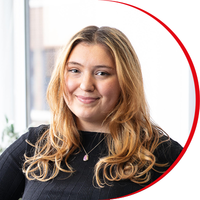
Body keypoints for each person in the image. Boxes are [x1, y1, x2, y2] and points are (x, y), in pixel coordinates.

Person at [0, 26, 183, 200]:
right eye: (74, 71)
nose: (86, 85)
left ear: (125, 82)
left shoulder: (162, 154)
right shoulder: (36, 144)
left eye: (102, 73)